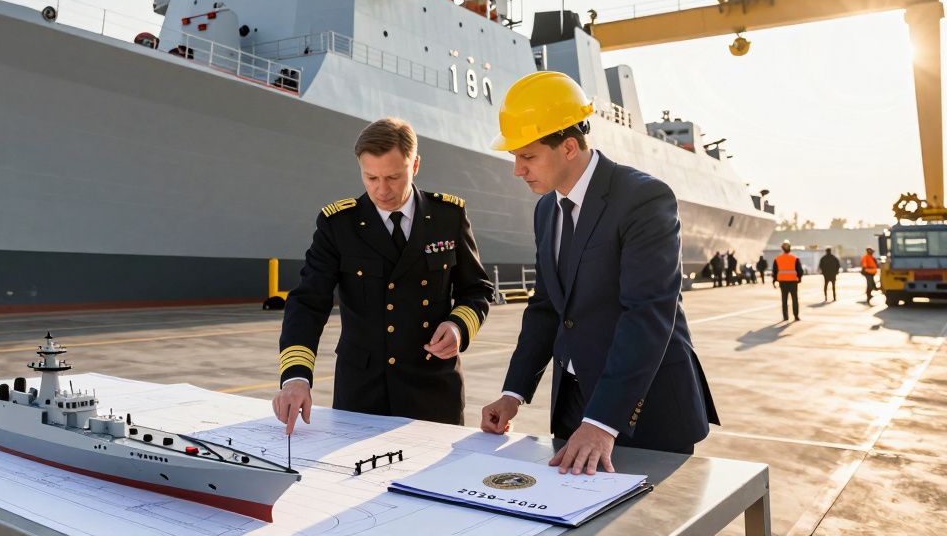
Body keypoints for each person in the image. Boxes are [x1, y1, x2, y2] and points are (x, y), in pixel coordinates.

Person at [480, 71, 718, 473]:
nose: (517, 170)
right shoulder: (546, 210)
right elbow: (545, 307)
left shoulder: (643, 199)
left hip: (645, 408)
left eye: (527, 156)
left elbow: (648, 314)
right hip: (573, 405)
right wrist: (513, 393)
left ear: (569, 147)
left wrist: (603, 421)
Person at [273, 118, 493, 432]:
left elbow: (477, 290)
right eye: (371, 177)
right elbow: (308, 302)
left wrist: (458, 326)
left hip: (433, 391)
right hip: (362, 393)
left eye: (393, 176)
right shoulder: (338, 225)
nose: (382, 189)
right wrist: (295, 377)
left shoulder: (448, 217)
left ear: (414, 165)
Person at [773, 241, 804, 321]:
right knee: (794, 299)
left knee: (784, 299)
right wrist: (799, 278)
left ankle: (785, 317)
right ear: (790, 249)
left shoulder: (777, 259)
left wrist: (774, 280)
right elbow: (800, 271)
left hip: (782, 282)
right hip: (793, 281)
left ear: (782, 249)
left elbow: (775, 271)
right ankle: (796, 316)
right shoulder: (795, 258)